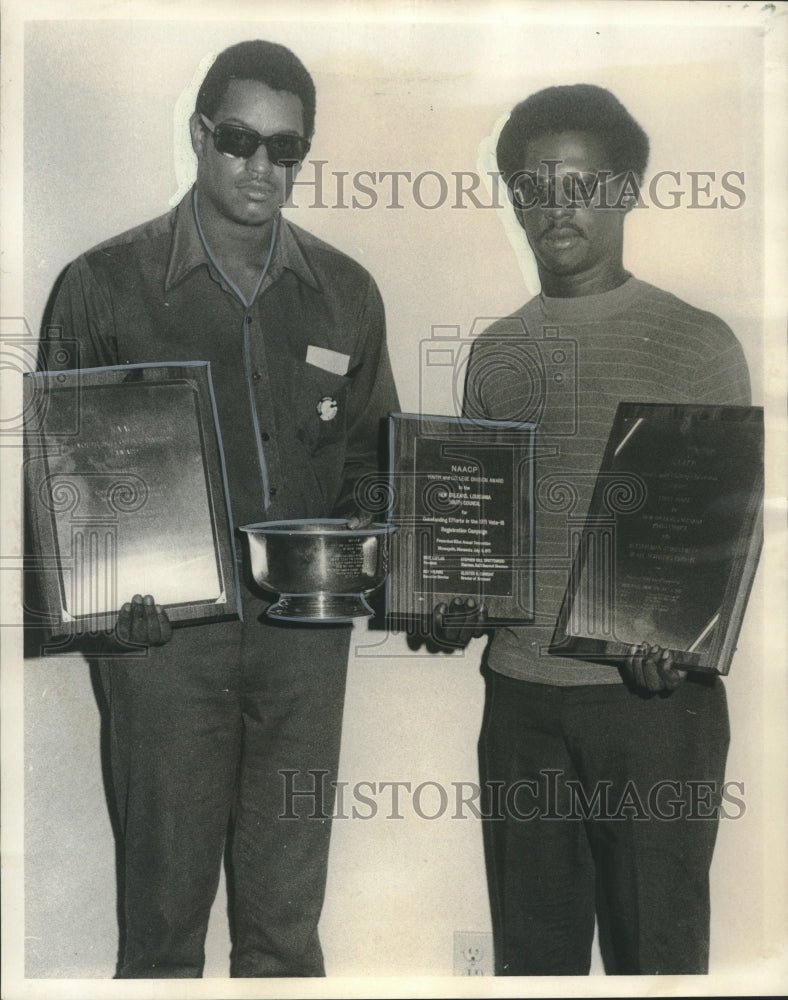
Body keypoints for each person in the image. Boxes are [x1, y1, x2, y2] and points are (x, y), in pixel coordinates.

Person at [35, 40, 399, 978]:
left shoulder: (349, 293)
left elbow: (373, 457)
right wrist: (107, 611)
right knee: (160, 937)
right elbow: (61, 488)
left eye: (287, 150)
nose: (262, 168)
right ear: (200, 135)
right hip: (162, 651)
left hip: (303, 646)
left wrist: (377, 552)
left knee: (286, 933)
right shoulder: (101, 286)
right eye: (241, 140)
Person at [435, 84, 752, 975]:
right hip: (521, 700)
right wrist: (451, 601)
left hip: (652, 706)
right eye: (534, 187)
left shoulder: (697, 342)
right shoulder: (494, 353)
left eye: (579, 184)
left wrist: (678, 643)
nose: (555, 208)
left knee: (659, 957)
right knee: (533, 964)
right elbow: (475, 533)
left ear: (626, 190)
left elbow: (714, 542)